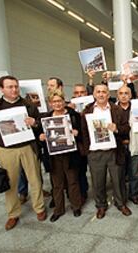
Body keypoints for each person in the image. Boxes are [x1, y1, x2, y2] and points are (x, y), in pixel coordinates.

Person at [0, 75, 46, 230]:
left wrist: (34, 123)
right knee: (10, 184)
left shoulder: (28, 105)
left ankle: (39, 208)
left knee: (35, 179)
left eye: (15, 86)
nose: (14, 89)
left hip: (28, 147)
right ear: (1, 89)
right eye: (10, 87)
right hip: (6, 150)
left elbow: (40, 126)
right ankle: (13, 214)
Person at [81, 83, 132, 219]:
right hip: (95, 152)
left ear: (108, 95)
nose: (101, 94)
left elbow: (126, 128)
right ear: (94, 94)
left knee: (118, 179)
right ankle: (101, 205)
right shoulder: (87, 111)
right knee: (98, 181)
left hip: (114, 151)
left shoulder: (117, 109)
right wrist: (88, 150)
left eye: (104, 92)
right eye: (98, 91)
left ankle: (121, 204)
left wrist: (116, 129)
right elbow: (83, 132)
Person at [38, 89, 82, 222]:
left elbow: (82, 133)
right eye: (54, 101)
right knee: (57, 184)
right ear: (50, 103)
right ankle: (58, 209)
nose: (57, 104)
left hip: (70, 154)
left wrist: (77, 133)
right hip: (54, 156)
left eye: (59, 101)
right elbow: (39, 136)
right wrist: (41, 137)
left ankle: (76, 206)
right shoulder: (45, 118)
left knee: (73, 181)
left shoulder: (74, 115)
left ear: (64, 101)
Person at [68, 83, 90, 203]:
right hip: (77, 146)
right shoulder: (68, 109)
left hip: (90, 144)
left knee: (86, 170)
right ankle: (80, 194)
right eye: (77, 93)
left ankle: (84, 190)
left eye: (82, 92)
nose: (79, 95)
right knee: (78, 170)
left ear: (86, 94)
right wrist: (70, 111)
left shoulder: (92, 107)